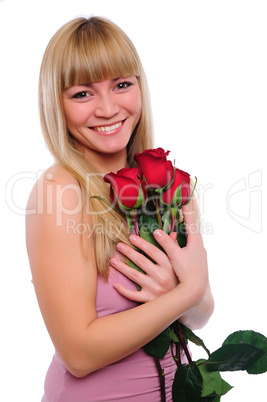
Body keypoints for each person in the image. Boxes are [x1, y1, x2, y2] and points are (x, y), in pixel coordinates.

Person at [26, 16, 214, 402]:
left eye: (122, 85)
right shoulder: (60, 192)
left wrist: (181, 294)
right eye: (82, 94)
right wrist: (184, 292)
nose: (108, 108)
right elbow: (77, 354)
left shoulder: (170, 185)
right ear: (56, 103)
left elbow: (201, 313)